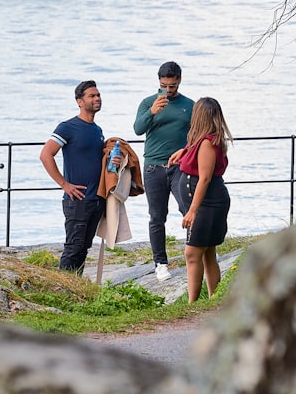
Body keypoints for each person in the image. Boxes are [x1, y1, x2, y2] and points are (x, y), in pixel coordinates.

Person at [40, 80, 119, 274]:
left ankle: (76, 290)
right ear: (79, 101)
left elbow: (96, 161)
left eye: (98, 95)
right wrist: (64, 184)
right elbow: (45, 154)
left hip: (96, 199)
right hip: (77, 200)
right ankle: (63, 290)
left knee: (83, 249)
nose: (97, 99)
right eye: (92, 96)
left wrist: (114, 162)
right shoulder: (68, 127)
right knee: (73, 248)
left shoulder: (97, 130)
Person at [133, 61, 194, 282]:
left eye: (173, 86)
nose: (169, 90)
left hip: (180, 166)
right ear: (159, 81)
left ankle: (195, 254)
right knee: (157, 216)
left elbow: (198, 136)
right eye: (165, 85)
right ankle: (160, 263)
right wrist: (151, 112)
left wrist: (184, 150)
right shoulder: (148, 102)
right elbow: (138, 129)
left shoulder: (190, 105)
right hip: (153, 167)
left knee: (188, 209)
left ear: (179, 80)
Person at [169, 97, 233, 303]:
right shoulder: (201, 140)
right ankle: (213, 300)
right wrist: (184, 151)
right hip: (208, 203)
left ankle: (192, 302)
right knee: (207, 253)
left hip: (208, 205)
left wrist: (193, 210)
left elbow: (204, 178)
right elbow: (195, 152)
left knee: (192, 253)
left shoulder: (207, 143)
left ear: (200, 116)